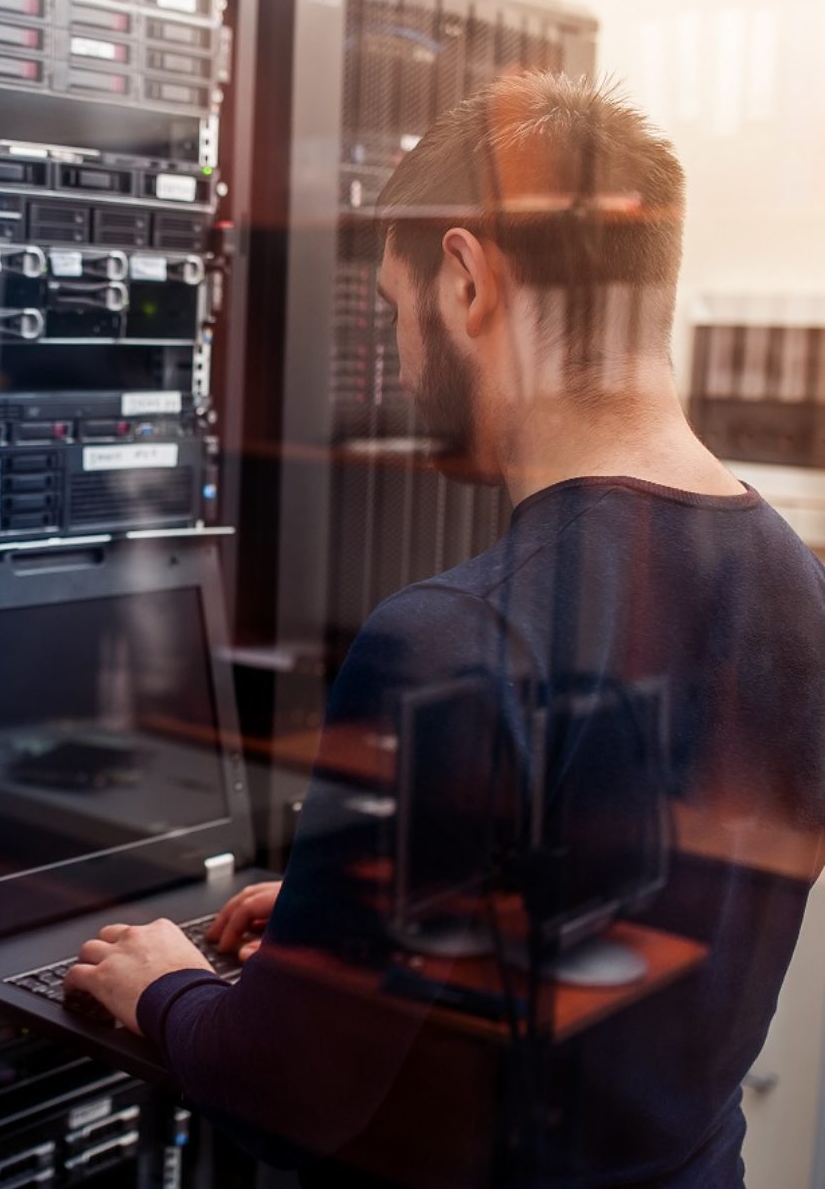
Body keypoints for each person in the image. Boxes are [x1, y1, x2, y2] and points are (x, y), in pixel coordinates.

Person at [62, 71, 825, 1187]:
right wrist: (360, 917)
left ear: (468, 279)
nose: (406, 356)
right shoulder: (800, 585)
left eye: (395, 308)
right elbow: (640, 898)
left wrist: (163, 982)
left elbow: (293, 1090)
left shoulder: (450, 636)